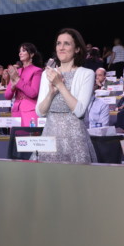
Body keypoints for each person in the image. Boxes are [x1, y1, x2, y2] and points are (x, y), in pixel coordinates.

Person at [36, 28, 97, 163]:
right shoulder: (46, 75)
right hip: (50, 139)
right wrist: (51, 94)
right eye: (59, 43)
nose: (61, 48)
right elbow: (40, 112)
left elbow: (80, 111)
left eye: (67, 44)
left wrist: (60, 85)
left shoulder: (86, 74)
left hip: (75, 141)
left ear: (77, 49)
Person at [5, 43, 43, 126]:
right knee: (16, 138)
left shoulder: (37, 71)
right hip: (16, 111)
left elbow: (33, 93)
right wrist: (13, 86)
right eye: (19, 51)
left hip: (30, 111)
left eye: (24, 50)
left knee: (29, 137)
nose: (20, 53)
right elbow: (7, 96)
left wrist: (18, 81)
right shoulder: (16, 72)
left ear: (32, 54)